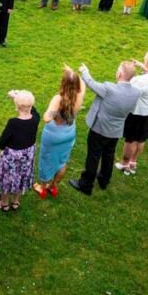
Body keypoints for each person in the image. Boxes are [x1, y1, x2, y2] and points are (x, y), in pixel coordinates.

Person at [69, 62, 140, 195]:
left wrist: (84, 71)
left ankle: (86, 185)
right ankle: (104, 181)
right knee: (109, 155)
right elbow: (132, 110)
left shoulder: (109, 88)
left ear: (119, 74)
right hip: (116, 130)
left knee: (93, 156)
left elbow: (91, 83)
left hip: (99, 129)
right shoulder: (136, 92)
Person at [34, 67, 85, 199]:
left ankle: (42, 187)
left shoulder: (58, 99)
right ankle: (53, 186)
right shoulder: (80, 96)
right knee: (62, 161)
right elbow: (82, 84)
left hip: (54, 134)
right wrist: (72, 73)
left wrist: (54, 112)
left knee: (47, 160)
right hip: (69, 133)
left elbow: (46, 118)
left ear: (63, 83)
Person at [116, 52, 148, 175]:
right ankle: (133, 162)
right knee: (141, 139)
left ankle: (124, 163)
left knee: (131, 140)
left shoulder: (139, 81)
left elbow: (126, 88)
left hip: (138, 114)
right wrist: (141, 66)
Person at [0, 90, 39, 212]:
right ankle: (16, 201)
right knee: (22, 176)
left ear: (17, 107)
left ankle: (4, 203)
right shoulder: (36, 119)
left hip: (12, 157)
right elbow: (33, 110)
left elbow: (2, 142)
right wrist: (17, 97)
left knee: (7, 179)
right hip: (27, 156)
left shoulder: (13, 123)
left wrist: (3, 145)